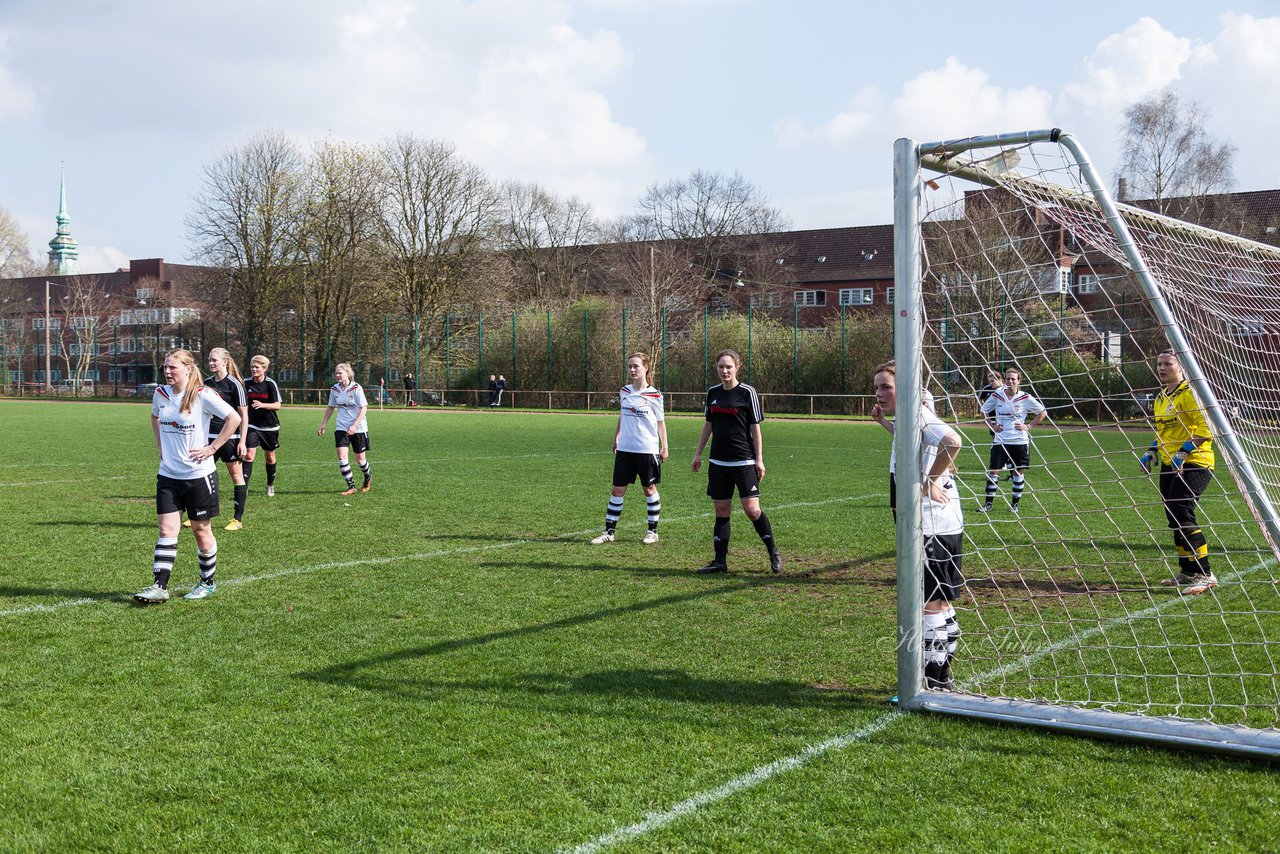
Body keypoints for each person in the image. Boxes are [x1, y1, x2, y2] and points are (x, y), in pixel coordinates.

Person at [873, 360, 964, 690]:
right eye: (877, 388)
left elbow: (952, 440)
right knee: (941, 603)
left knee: (927, 605)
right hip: (943, 525)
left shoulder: (921, 414)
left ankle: (931, 680)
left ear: (907, 388)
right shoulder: (911, 414)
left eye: (886, 387)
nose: (879, 393)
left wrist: (929, 479)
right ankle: (942, 677)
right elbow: (911, 437)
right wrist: (884, 422)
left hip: (930, 527)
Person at [134, 349, 241, 604]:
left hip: (198, 476)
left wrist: (212, 448)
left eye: (173, 367)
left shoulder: (202, 395)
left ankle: (207, 582)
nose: (167, 371)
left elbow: (233, 417)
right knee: (166, 530)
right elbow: (155, 416)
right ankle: (160, 586)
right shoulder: (161, 394)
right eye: (165, 367)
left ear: (188, 369)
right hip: (168, 476)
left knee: (200, 532)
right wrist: (160, 447)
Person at [690, 349, 782, 574]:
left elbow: (755, 429)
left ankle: (773, 552)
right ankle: (720, 562)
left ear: (737, 367)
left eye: (728, 367)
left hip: (744, 461)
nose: (724, 371)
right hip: (718, 462)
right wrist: (698, 453)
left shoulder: (747, 392)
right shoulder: (712, 392)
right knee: (721, 510)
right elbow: (708, 425)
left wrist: (759, 460)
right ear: (717, 368)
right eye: (721, 367)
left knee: (752, 509)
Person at [1140, 350, 1217, 595]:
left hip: (1195, 462)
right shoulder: (1161, 396)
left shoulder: (1191, 394)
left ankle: (1206, 574)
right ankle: (1187, 572)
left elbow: (1207, 429)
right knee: (1174, 518)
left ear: (1180, 366)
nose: (1162, 368)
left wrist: (1183, 452)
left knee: (1182, 511)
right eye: (1159, 364)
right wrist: (1151, 451)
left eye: (1167, 364)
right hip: (1168, 464)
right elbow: (1162, 432)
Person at [590, 353, 669, 546]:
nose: (632, 370)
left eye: (636, 366)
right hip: (625, 449)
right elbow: (622, 415)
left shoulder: (655, 395)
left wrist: (664, 446)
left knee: (649, 489)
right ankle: (609, 531)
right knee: (617, 490)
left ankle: (652, 531)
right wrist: (616, 437)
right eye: (630, 367)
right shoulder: (624, 391)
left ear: (646, 368)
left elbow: (661, 422)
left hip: (647, 449)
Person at [979, 367, 1048, 513]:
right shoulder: (997, 395)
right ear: (1005, 380)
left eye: (1013, 379)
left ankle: (1014, 505)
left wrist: (1028, 426)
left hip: (1019, 441)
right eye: (1008, 378)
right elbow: (983, 411)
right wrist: (992, 426)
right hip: (1000, 440)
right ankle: (988, 504)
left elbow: (1042, 412)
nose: (1010, 381)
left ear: (1018, 381)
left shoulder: (1025, 397)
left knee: (1018, 472)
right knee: (994, 471)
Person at [871, 380, 935, 521]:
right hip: (897, 465)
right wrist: (881, 420)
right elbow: (900, 432)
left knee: (916, 517)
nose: (879, 393)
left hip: (916, 467)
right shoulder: (898, 399)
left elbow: (931, 431)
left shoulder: (921, 394)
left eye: (885, 386)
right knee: (897, 512)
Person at [203, 347, 250, 530]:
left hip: (231, 438)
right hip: (208, 438)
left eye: (214, 360)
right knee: (202, 475)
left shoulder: (234, 384)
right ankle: (201, 514)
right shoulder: (205, 383)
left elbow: (244, 416)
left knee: (236, 475)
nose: (211, 363)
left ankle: (237, 519)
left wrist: (243, 441)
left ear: (225, 362)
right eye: (209, 360)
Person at [317, 362, 371, 496]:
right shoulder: (334, 389)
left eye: (340, 373)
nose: (338, 375)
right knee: (342, 457)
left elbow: (364, 408)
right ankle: (351, 486)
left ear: (348, 373)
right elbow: (331, 407)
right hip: (341, 427)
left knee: (360, 460)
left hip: (358, 428)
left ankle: (367, 477)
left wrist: (354, 425)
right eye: (336, 373)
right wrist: (323, 423)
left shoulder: (357, 388)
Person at [243, 355, 282, 497]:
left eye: (257, 367)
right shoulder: (246, 383)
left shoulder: (270, 384)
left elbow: (278, 405)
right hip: (252, 425)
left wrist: (263, 405)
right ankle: (244, 487)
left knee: (270, 457)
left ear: (264, 368)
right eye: (252, 366)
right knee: (248, 455)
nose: (254, 369)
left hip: (269, 427)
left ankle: (270, 485)